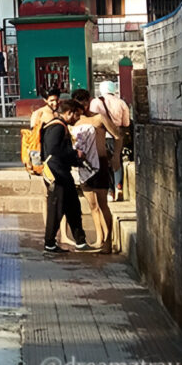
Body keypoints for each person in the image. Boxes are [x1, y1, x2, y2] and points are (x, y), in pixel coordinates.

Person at [42, 99, 91, 253]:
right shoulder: (57, 127)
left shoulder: (58, 126)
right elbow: (53, 151)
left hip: (63, 172)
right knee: (56, 209)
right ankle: (50, 243)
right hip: (57, 174)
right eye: (77, 115)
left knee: (73, 207)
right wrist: (75, 154)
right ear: (69, 113)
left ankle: (80, 240)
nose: (77, 119)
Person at [71, 89, 114, 253]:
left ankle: (108, 241)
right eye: (78, 102)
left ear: (89, 100)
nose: (82, 105)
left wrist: (116, 156)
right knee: (92, 205)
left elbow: (117, 135)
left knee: (103, 204)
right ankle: (99, 238)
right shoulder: (74, 123)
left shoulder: (98, 118)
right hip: (84, 165)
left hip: (101, 163)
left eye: (84, 101)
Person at [90, 81, 129, 202]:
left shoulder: (96, 102)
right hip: (116, 137)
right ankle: (119, 185)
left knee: (104, 162)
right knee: (117, 159)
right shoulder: (121, 102)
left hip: (101, 136)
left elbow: (92, 120)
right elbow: (126, 123)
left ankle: (110, 191)